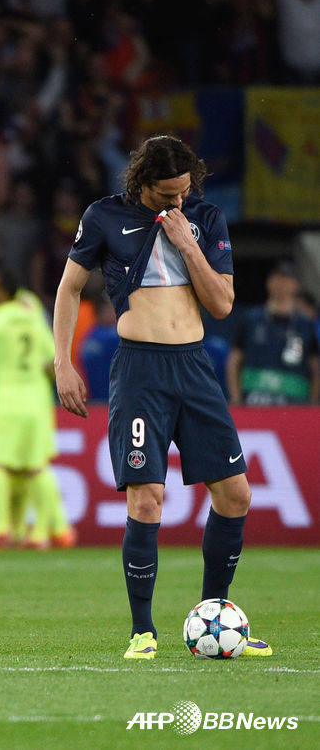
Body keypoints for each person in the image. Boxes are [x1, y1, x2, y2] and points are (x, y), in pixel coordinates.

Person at [53, 134, 272, 659]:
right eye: (167, 194)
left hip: (194, 367)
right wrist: (63, 361)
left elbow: (222, 304)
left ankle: (216, 615)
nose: (178, 200)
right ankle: (142, 631)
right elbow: (69, 289)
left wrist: (187, 243)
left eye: (184, 191)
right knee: (147, 497)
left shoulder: (205, 218)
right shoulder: (104, 216)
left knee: (236, 494)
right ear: (142, 182)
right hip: (139, 370)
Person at [0, 263, 60, 548]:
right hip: (36, 399)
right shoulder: (32, 316)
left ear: (0, 290)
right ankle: (41, 534)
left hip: (5, 400)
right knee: (35, 468)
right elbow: (52, 360)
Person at [226, 261, 319, 405]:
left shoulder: (305, 325)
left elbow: (315, 367)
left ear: (296, 285)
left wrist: (313, 404)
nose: (281, 284)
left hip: (295, 404)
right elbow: (234, 361)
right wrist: (236, 398)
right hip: (254, 401)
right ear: (268, 282)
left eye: (286, 279)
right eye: (276, 278)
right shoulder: (250, 319)